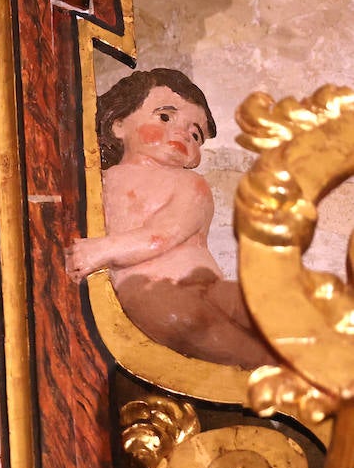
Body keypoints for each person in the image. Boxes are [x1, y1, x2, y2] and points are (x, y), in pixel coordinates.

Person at [67, 68, 277, 368]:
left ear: (194, 157)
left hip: (204, 287)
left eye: (195, 134)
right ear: (118, 124)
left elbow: (161, 234)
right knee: (206, 331)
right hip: (153, 293)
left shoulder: (190, 184)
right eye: (165, 117)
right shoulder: (98, 180)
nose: (182, 133)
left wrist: (102, 250)